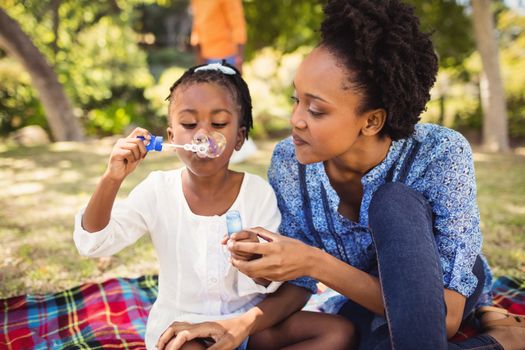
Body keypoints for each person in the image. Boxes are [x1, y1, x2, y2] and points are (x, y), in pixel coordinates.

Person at [158, 1, 525, 349]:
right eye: (295, 100)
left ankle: (504, 337)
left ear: (372, 121)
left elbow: (441, 318)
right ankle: (502, 341)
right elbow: (300, 284)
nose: (296, 119)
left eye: (316, 110)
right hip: (363, 302)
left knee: (392, 201)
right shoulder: (290, 162)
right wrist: (236, 323)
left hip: (438, 295)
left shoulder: (439, 155)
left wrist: (315, 262)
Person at [74, 62, 355, 350]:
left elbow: (270, 280)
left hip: (247, 324)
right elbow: (94, 243)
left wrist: (255, 264)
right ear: (171, 137)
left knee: (337, 332)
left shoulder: (258, 193)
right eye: (188, 124)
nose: (203, 134)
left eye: (219, 124)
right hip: (184, 328)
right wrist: (112, 178)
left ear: (239, 138)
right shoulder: (157, 191)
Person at [190, 0, 246, 71]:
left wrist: (239, 59)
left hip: (227, 57)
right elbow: (197, 25)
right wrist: (199, 56)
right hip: (205, 57)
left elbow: (237, 25)